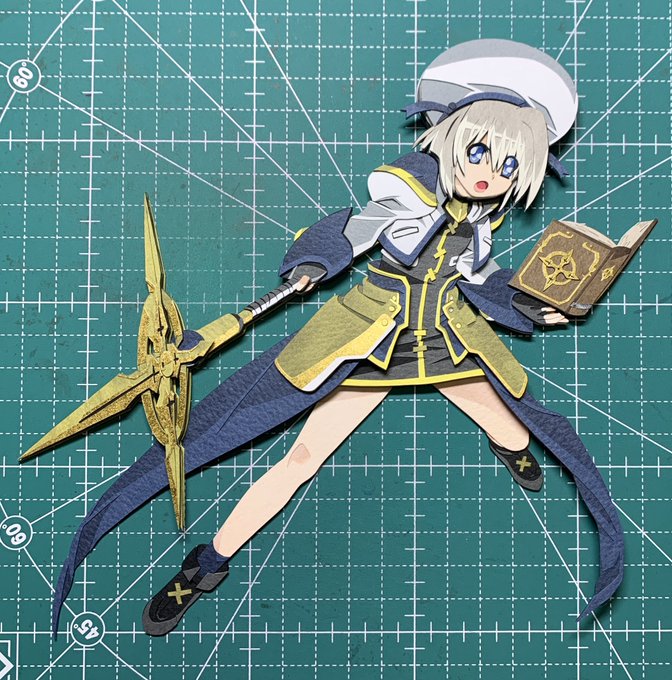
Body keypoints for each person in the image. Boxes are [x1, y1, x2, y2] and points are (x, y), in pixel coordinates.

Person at [49, 39, 625, 637]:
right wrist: (316, 262)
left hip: (446, 338)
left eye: (508, 166)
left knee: (514, 422)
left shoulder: (480, 218)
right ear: (451, 137)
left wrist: (534, 304)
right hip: (370, 340)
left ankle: (511, 447)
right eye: (479, 152)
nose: (489, 174)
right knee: (300, 460)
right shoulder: (409, 197)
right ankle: (207, 563)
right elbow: (353, 231)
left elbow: (481, 279)